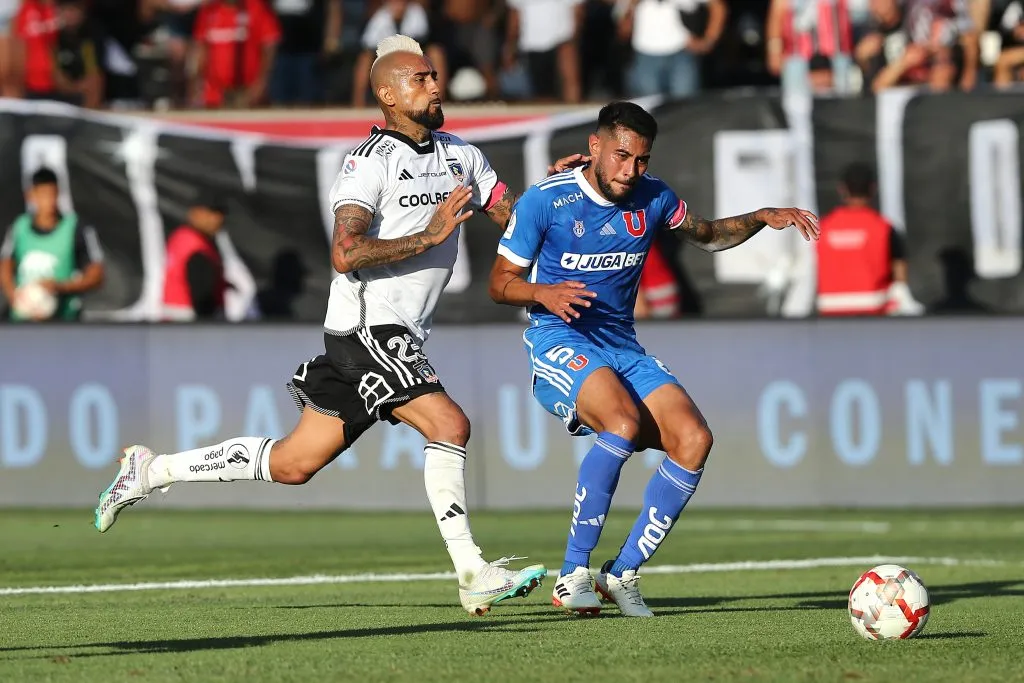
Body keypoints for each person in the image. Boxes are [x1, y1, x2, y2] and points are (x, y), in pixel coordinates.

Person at [94, 34, 586, 617]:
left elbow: (515, 216)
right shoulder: (367, 165)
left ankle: (151, 471)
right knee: (448, 422)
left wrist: (559, 187)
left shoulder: (464, 156)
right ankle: (471, 571)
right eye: (421, 78)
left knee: (293, 464)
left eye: (433, 76)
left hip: (397, 332)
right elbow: (346, 252)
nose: (435, 85)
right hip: (366, 328)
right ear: (387, 93)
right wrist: (428, 236)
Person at [488, 101, 818, 617]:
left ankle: (621, 574)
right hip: (558, 339)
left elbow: (707, 236)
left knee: (694, 439)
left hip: (621, 345)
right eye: (622, 155)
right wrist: (543, 293)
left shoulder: (655, 197)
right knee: (619, 422)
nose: (630, 170)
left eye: (641, 159)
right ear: (595, 147)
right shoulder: (545, 201)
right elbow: (499, 284)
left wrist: (758, 217)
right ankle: (573, 573)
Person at [0, 168, 105, 322]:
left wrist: (60, 287)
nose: (48, 201)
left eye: (52, 194)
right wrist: (16, 298)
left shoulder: (76, 228)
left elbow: (97, 274)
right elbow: (6, 265)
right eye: (42, 194)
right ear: (31, 195)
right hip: (22, 323)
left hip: (63, 321)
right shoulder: (18, 228)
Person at [815, 162, 920, 316]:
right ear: (873, 189)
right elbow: (900, 281)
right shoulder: (884, 228)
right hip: (874, 318)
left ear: (842, 189)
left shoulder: (821, 228)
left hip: (830, 316)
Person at [161, 191, 230, 322]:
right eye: (212, 212)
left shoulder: (180, 237)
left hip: (173, 327)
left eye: (221, 214)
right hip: (193, 329)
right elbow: (202, 297)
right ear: (194, 213)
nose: (218, 219)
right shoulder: (197, 248)